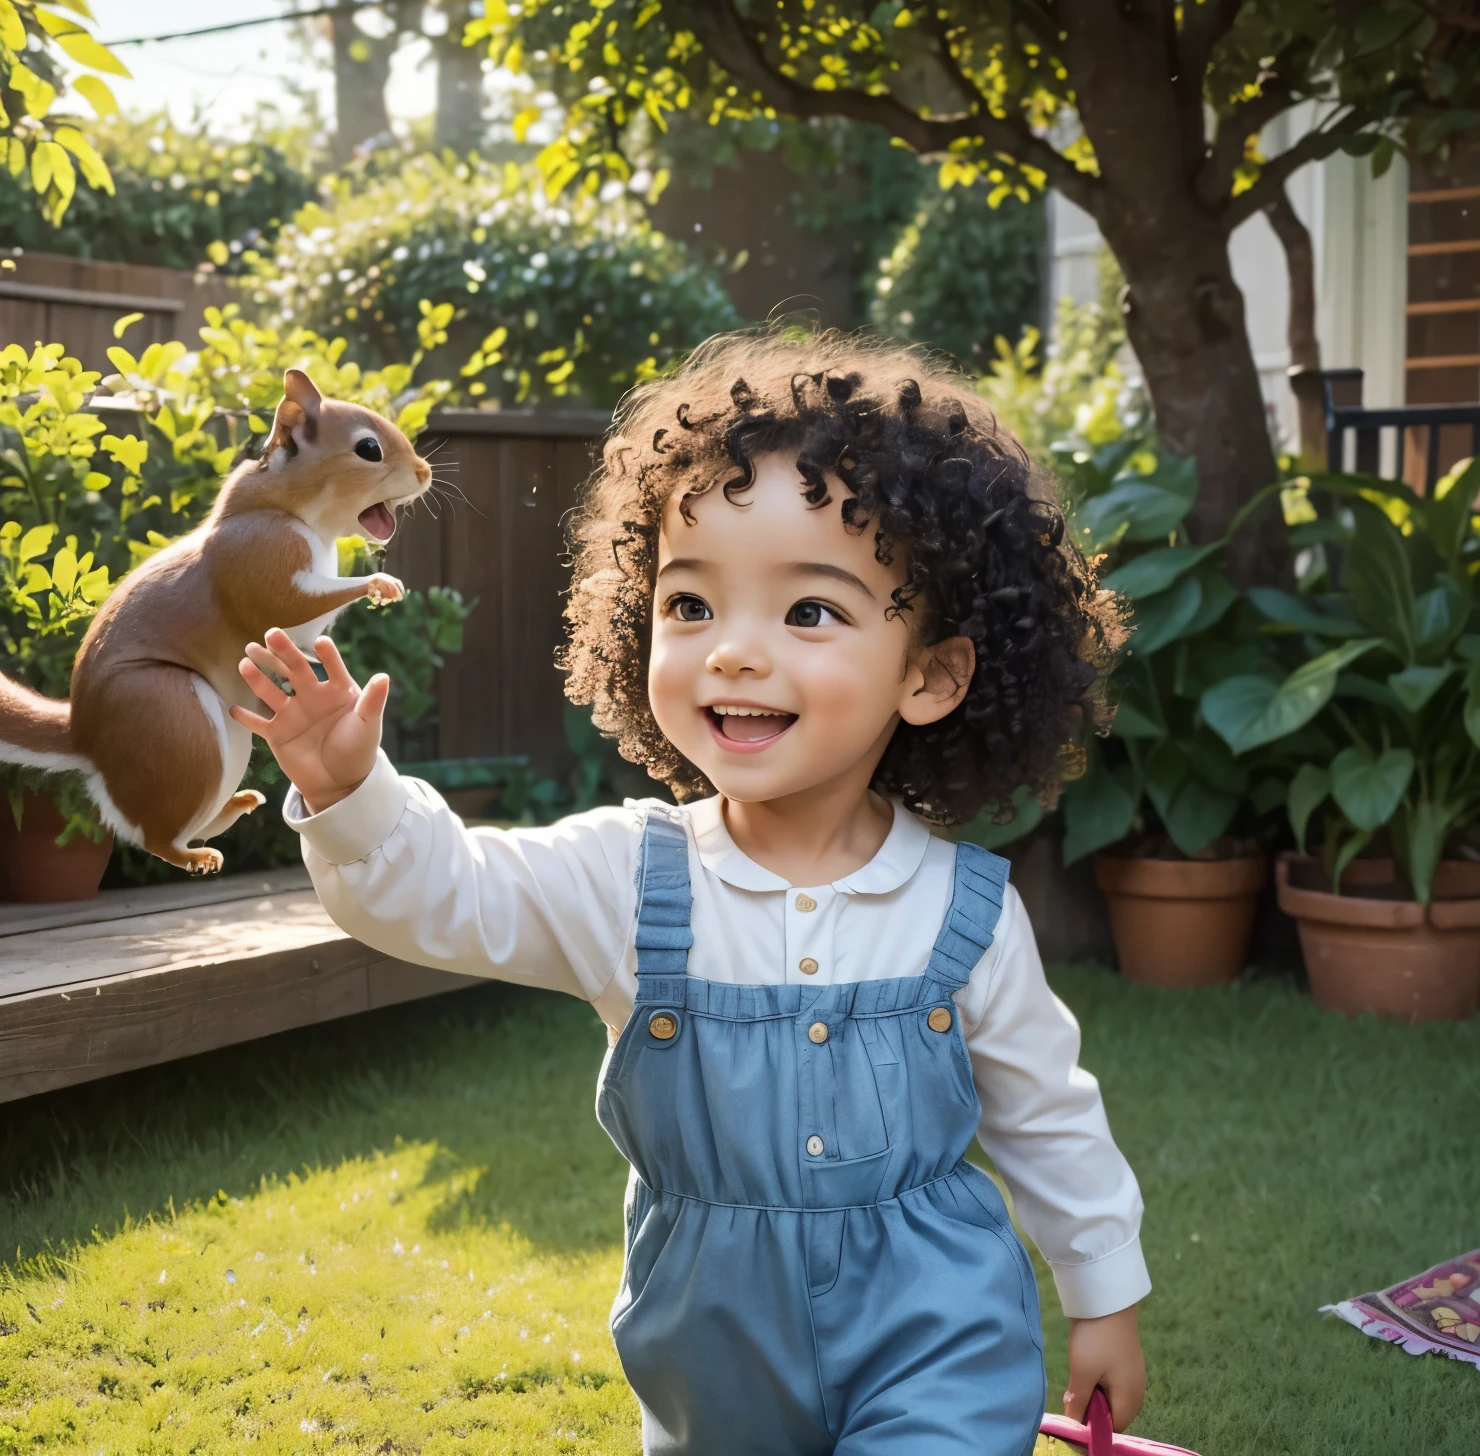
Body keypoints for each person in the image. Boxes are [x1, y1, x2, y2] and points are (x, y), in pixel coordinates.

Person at [235, 329, 1151, 1455]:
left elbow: (1047, 1115)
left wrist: (1102, 1294)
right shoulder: (626, 876)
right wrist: (349, 787)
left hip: (940, 1333)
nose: (733, 653)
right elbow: (445, 893)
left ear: (930, 674)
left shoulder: (963, 912)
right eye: (692, 605)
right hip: (709, 1360)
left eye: (808, 612)